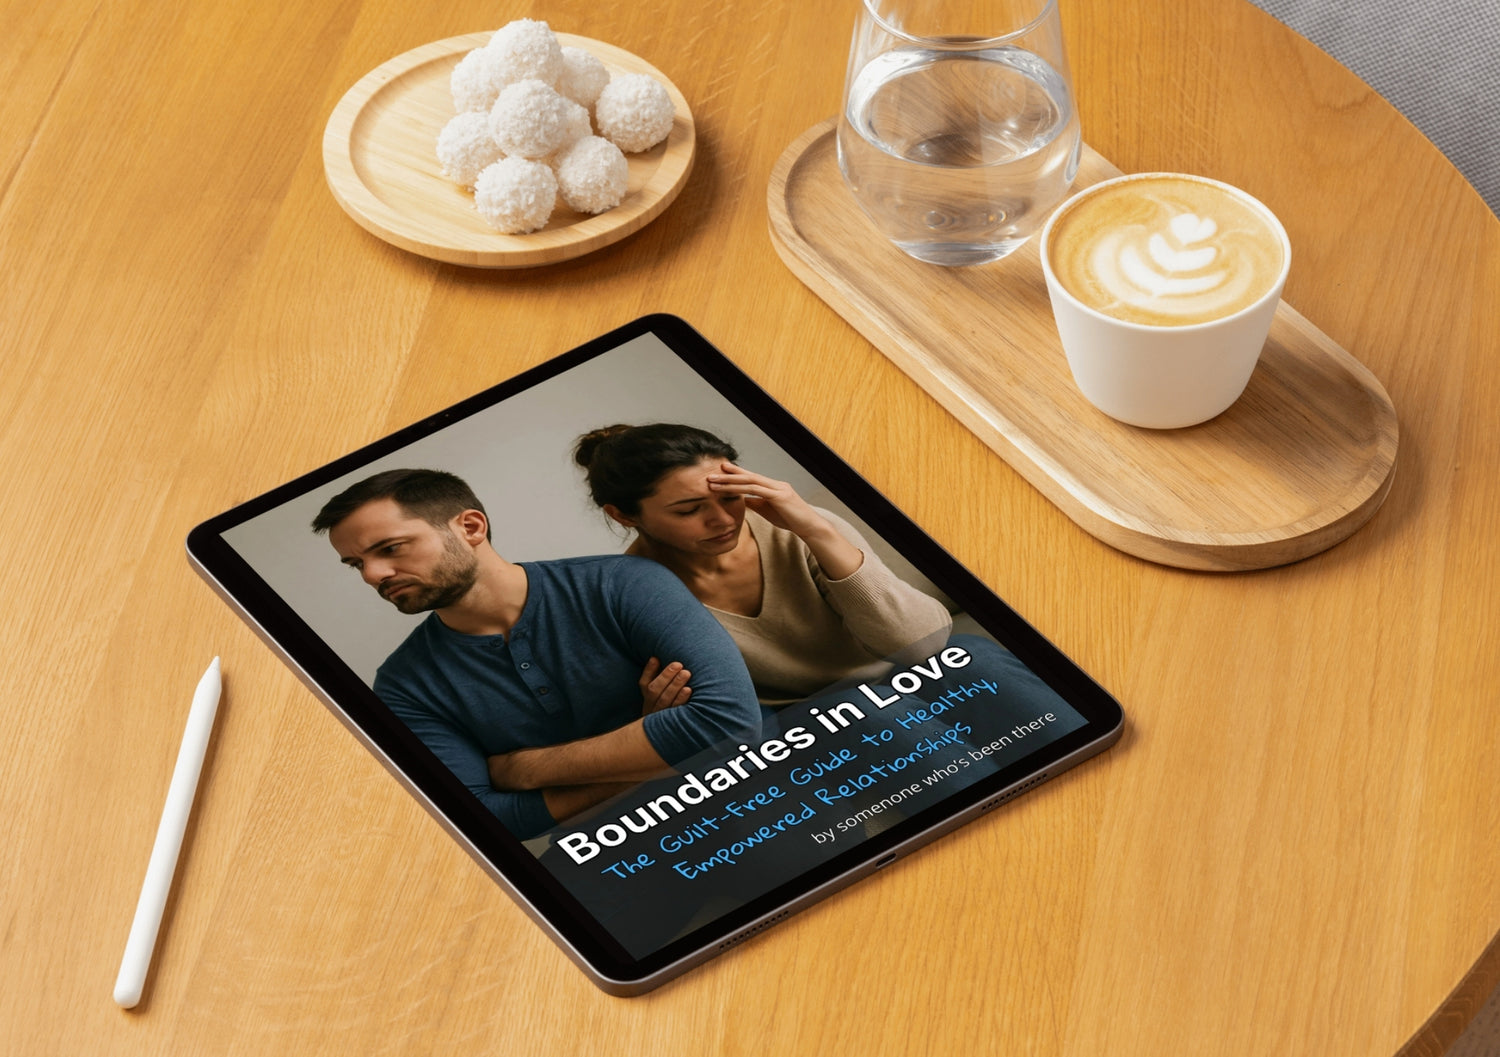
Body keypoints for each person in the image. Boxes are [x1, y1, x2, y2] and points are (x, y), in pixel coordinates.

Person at [311, 468, 760, 839]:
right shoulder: (403, 683)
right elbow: (486, 820)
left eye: (389, 549)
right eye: (357, 564)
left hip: (750, 789)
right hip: (608, 843)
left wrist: (523, 770)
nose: (373, 575)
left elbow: (729, 722)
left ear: (470, 527)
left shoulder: (622, 583)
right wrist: (662, 749)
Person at [572, 424, 954, 706]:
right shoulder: (632, 598)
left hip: (900, 675)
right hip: (807, 720)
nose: (724, 520)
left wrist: (817, 532)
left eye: (731, 497)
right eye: (689, 510)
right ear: (624, 515)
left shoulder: (800, 529)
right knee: (872, 711)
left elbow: (924, 646)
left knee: (976, 658)